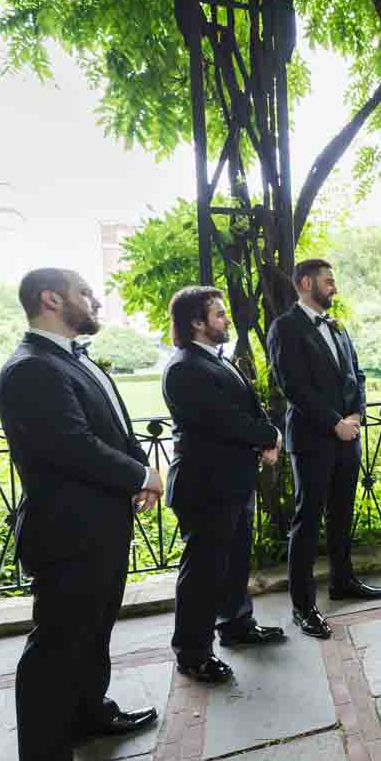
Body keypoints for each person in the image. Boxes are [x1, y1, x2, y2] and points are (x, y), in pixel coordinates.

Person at [0, 269, 161, 761]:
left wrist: (136, 465)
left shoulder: (71, 357)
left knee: (93, 632)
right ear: (51, 299)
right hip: (69, 531)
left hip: (100, 525)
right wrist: (141, 476)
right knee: (56, 652)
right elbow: (72, 445)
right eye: (86, 293)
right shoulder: (31, 369)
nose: (95, 300)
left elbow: (111, 428)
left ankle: (91, 714)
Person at [163, 287, 287, 684]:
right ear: (196, 323)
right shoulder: (184, 367)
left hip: (232, 480)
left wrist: (265, 436)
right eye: (219, 314)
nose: (227, 318)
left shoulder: (215, 360)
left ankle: (236, 625)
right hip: (205, 484)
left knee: (234, 563)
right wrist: (268, 436)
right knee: (203, 573)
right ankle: (193, 653)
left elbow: (244, 409)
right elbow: (223, 420)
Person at [267, 259, 381, 640]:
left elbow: (357, 375)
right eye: (327, 281)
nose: (334, 286)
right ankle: (303, 606)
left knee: (342, 513)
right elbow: (294, 386)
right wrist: (334, 422)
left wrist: (357, 416)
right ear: (305, 283)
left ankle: (343, 580)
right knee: (307, 521)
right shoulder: (285, 327)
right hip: (314, 439)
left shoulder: (338, 326)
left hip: (347, 436)